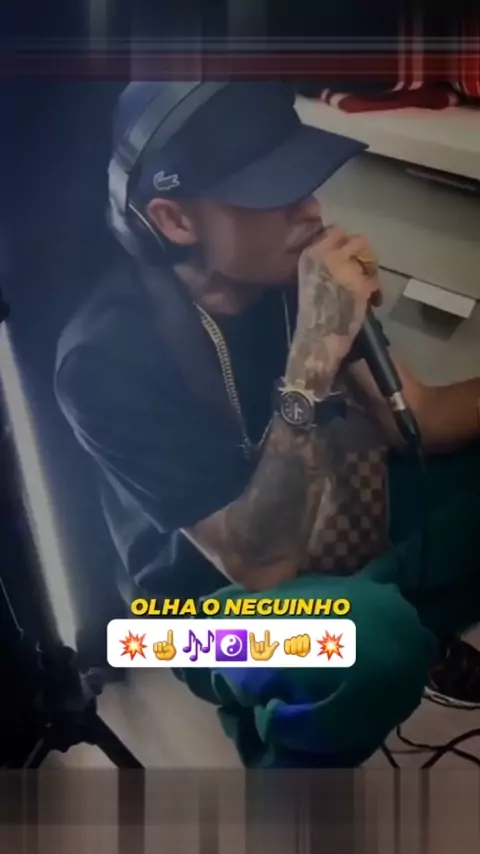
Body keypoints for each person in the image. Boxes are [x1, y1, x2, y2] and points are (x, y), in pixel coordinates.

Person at [55, 82, 480, 766]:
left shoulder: (289, 277)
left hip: (322, 523)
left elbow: (417, 419)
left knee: (385, 612)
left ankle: (390, 630)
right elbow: (260, 566)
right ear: (175, 220)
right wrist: (315, 352)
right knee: (368, 642)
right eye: (271, 192)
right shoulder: (101, 359)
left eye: (305, 180)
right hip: (189, 615)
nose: (309, 209)